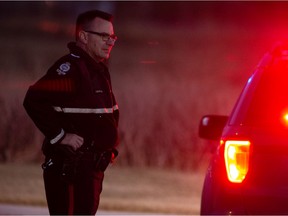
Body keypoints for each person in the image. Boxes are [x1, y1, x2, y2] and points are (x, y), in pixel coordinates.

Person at [23, 10, 119, 215]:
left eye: (112, 37)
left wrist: (110, 149)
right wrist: (61, 136)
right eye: (103, 36)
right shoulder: (70, 69)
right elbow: (33, 100)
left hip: (91, 172)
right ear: (83, 36)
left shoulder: (99, 71)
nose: (110, 42)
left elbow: (109, 114)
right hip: (71, 171)